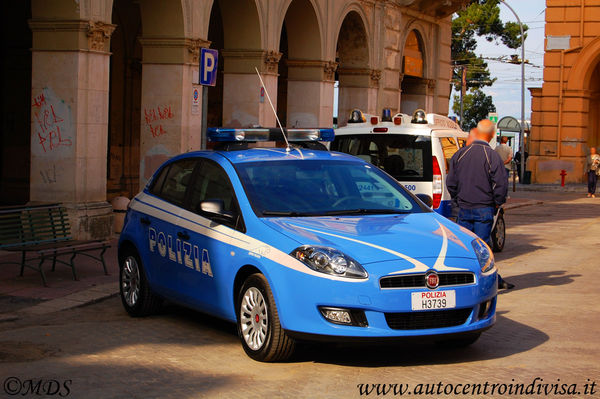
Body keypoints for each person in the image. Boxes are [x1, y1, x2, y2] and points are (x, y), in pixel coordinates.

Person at [447, 119, 514, 290]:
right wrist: (497, 203)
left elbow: (451, 182)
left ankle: (468, 281)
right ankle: (486, 282)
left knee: (466, 248)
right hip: (483, 208)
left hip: (464, 209)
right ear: (492, 134)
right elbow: (500, 183)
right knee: (483, 248)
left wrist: (457, 202)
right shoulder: (491, 156)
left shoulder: (460, 154)